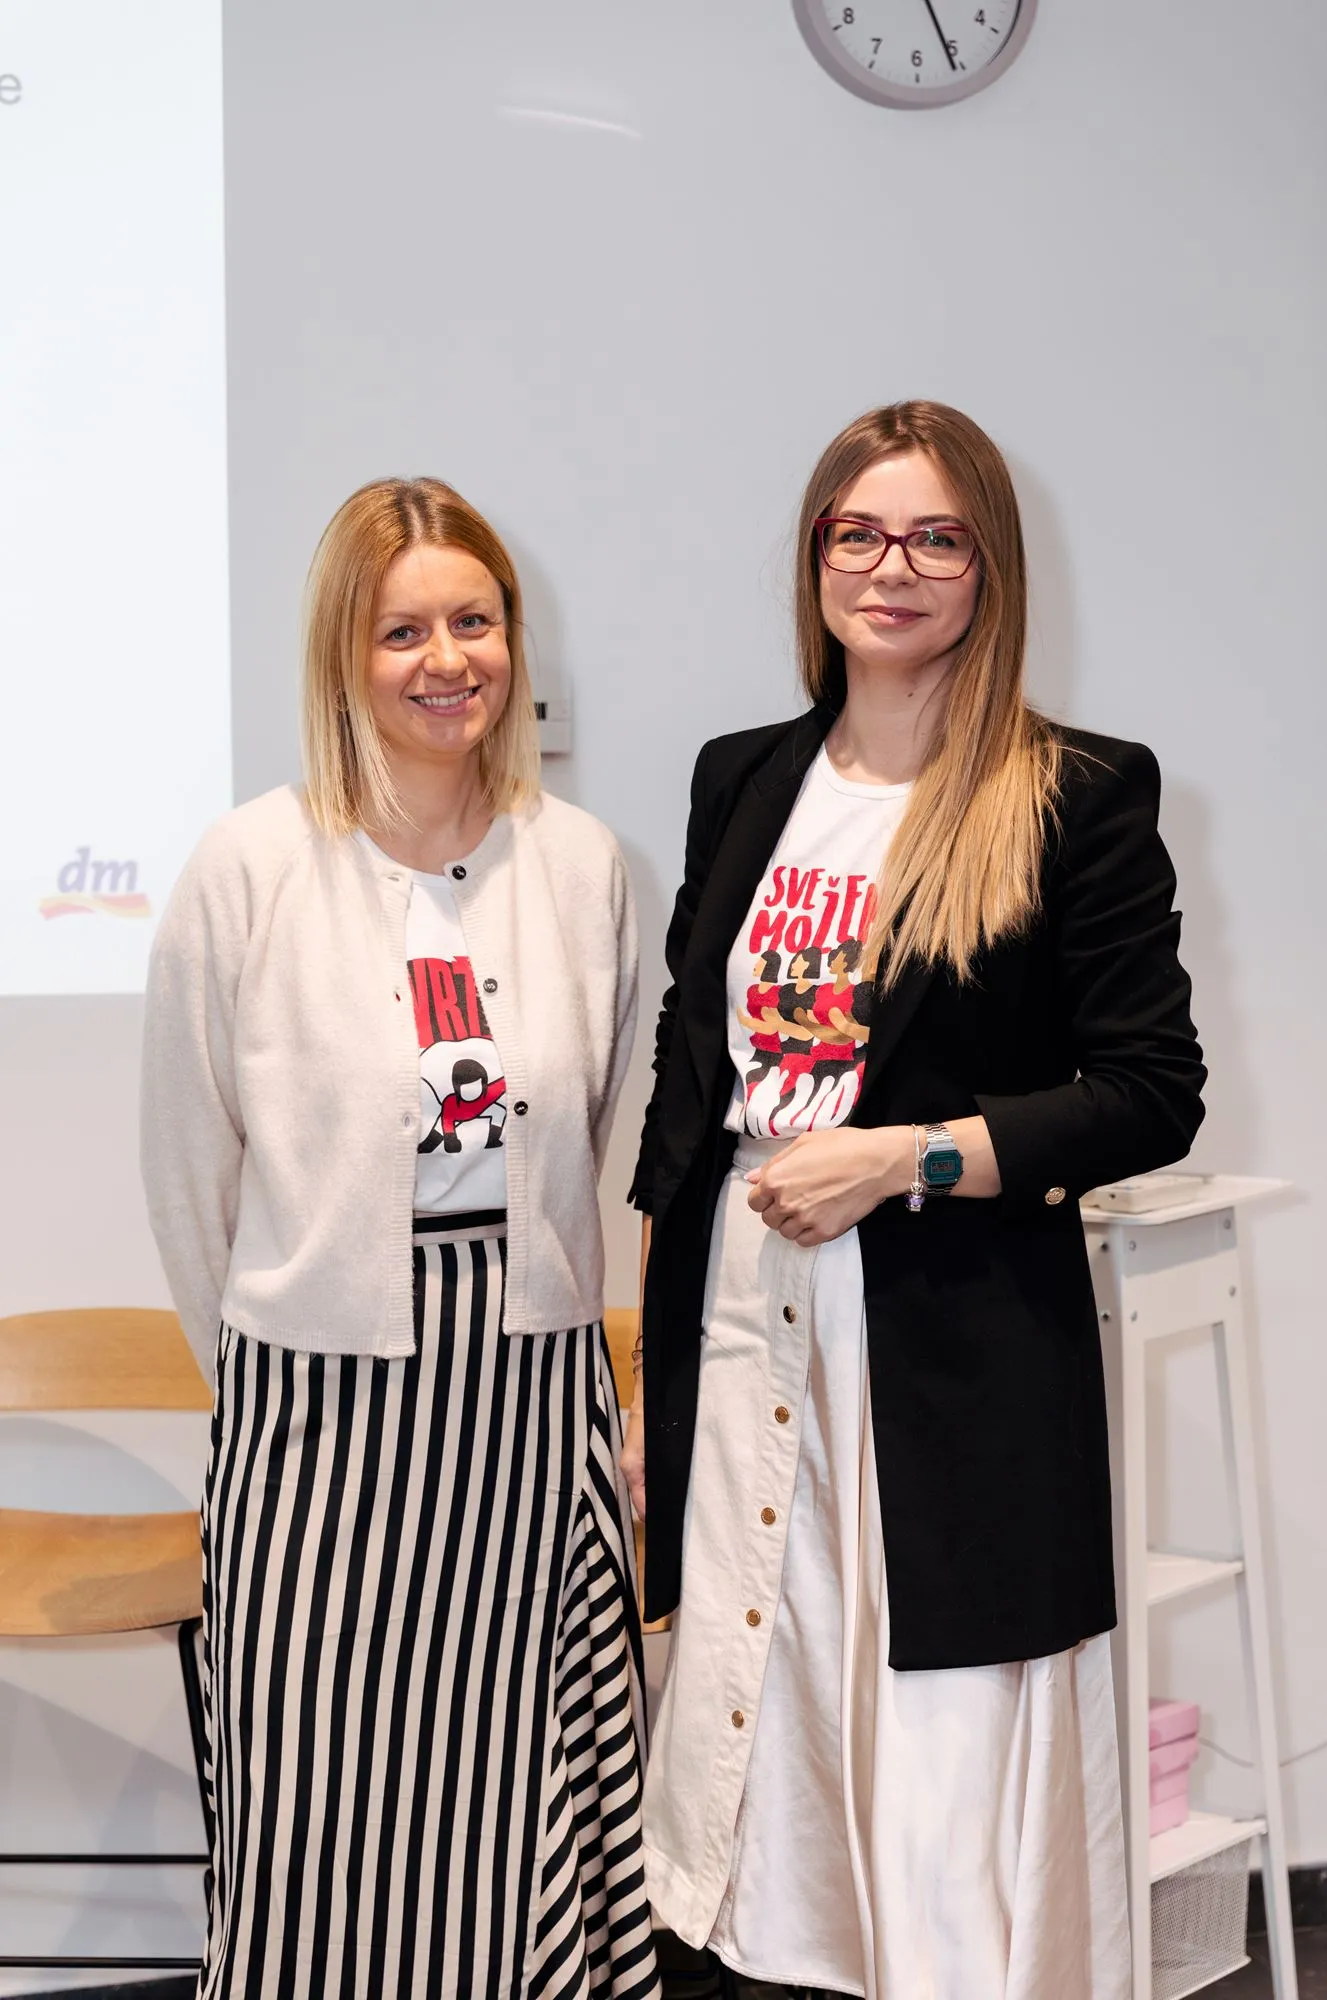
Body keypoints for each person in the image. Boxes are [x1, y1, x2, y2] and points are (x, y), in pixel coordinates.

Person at [622, 402, 1206, 2000]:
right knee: (758, 1768)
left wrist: (909, 1155)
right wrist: (652, 1369)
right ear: (815, 556)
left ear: (988, 566)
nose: (894, 568)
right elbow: (691, 1084)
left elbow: (1151, 1090)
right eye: (859, 533)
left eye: (937, 538)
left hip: (947, 1357)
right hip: (744, 1330)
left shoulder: (1073, 791)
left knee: (939, 1805)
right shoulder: (745, 777)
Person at [142, 478, 660, 2000]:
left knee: (519, 1808)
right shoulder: (247, 869)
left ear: (514, 638)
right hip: (317, 1417)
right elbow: (188, 1172)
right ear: (342, 656)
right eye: (402, 631)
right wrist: (277, 1349)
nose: (447, 660)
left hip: (529, 1401)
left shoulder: (584, 865)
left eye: (474, 622)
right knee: (321, 1812)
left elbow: (603, 1145)